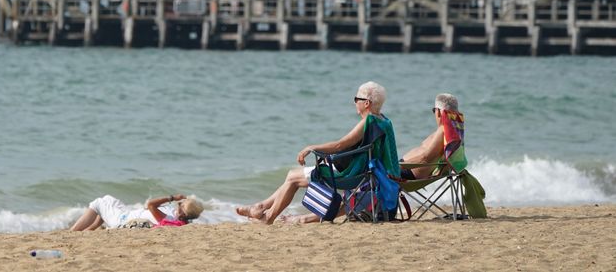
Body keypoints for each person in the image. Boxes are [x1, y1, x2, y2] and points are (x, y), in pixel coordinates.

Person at [235, 81, 396, 225]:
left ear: (366, 103)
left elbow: (340, 145)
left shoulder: (368, 122)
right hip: (366, 174)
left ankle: (268, 216)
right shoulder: (384, 121)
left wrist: (311, 148)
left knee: (292, 177)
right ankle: (260, 207)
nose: (354, 103)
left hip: (351, 175)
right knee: (293, 175)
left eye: (356, 99)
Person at [400, 93, 459, 180]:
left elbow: (424, 159)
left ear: (438, 111)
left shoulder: (444, 130)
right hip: (408, 168)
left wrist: (397, 166)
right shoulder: (454, 131)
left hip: (408, 171)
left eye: (434, 110)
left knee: (375, 171)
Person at [70, 193, 204, 230]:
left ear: (183, 213)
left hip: (122, 220)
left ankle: (73, 232)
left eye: (180, 204)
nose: (178, 204)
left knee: (98, 202)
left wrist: (172, 197)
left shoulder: (168, 218)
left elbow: (150, 204)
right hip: (129, 213)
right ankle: (90, 229)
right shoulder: (178, 218)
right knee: (108, 198)